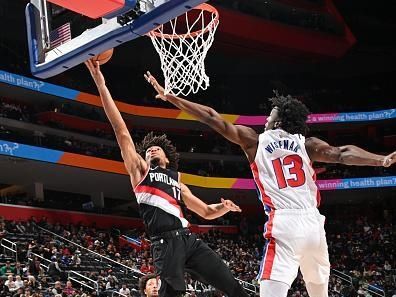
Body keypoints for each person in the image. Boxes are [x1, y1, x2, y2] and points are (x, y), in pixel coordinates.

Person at [144, 72, 396, 297]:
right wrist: (381, 159)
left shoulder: (254, 141)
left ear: (277, 121)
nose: (266, 118)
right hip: (314, 225)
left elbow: (212, 117)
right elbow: (343, 153)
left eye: (270, 114)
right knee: (319, 292)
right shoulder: (307, 144)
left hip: (284, 222)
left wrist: (173, 98)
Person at [85, 60, 250, 297]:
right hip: (164, 243)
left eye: (156, 149)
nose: (151, 150)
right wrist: (101, 85)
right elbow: (120, 130)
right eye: (148, 149)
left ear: (168, 158)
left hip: (189, 240)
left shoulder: (177, 182)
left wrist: (222, 208)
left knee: (231, 285)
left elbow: (205, 211)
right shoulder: (141, 172)